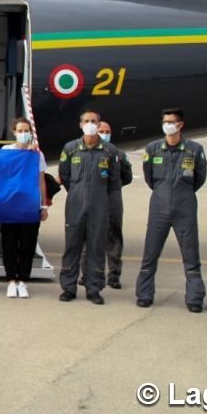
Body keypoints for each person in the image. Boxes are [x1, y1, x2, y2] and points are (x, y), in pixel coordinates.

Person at [135, 108, 207, 311]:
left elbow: (200, 177)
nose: (168, 125)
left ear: (180, 125)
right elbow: (150, 178)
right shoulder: (152, 149)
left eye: (172, 121)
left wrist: (181, 191)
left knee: (191, 255)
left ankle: (194, 299)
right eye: (165, 121)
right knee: (150, 252)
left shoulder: (194, 149)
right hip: (159, 205)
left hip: (185, 206)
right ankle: (144, 294)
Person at [57, 109, 122, 305]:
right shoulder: (70, 148)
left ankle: (94, 288)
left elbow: (114, 181)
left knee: (96, 247)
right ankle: (68, 287)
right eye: (87, 120)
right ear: (80, 124)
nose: (90, 124)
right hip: (75, 205)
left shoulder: (109, 151)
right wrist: (78, 193)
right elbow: (65, 176)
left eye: (94, 121)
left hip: (99, 206)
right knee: (72, 247)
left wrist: (98, 198)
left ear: (99, 123)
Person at [80, 120, 132, 289]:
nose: (104, 133)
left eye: (107, 131)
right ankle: (86, 273)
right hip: (91, 199)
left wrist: (112, 189)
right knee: (88, 237)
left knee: (114, 237)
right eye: (101, 130)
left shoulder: (118, 153)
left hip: (112, 199)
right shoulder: (84, 152)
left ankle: (114, 275)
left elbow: (127, 177)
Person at [1, 118, 49, 298]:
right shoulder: (6, 151)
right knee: (9, 244)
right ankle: (11, 280)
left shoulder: (37, 154)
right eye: (20, 130)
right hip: (10, 206)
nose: (23, 134)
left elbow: (41, 181)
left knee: (27, 245)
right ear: (14, 132)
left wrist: (44, 205)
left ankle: (23, 281)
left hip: (30, 205)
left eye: (26, 130)